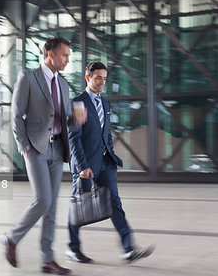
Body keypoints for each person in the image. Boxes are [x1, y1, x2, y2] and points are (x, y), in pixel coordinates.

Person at [0, 37, 86, 275]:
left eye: (69, 55)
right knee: (43, 200)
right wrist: (23, 145)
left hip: (58, 149)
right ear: (50, 53)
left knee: (51, 208)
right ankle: (11, 238)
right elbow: (16, 115)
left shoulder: (64, 85)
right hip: (35, 148)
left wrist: (76, 121)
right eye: (65, 55)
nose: (68, 59)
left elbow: (66, 120)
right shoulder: (28, 77)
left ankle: (48, 259)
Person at [66, 62, 154, 264]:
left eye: (105, 78)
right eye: (98, 78)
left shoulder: (105, 104)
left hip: (105, 162)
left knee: (115, 203)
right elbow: (74, 138)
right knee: (79, 206)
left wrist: (111, 154)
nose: (102, 82)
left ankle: (128, 248)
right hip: (85, 166)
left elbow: (105, 133)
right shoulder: (77, 104)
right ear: (88, 78)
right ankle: (73, 248)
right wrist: (82, 166)